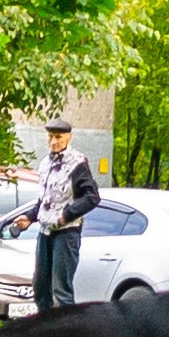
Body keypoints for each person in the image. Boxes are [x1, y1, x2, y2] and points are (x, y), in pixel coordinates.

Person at [16, 118, 101, 311]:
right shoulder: (45, 163)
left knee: (61, 292)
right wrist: (30, 217)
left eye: (58, 137)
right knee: (40, 288)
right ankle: (45, 334)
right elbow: (46, 199)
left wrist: (67, 215)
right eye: (50, 136)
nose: (53, 141)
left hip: (66, 233)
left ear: (69, 137)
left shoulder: (77, 163)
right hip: (45, 232)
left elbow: (92, 197)